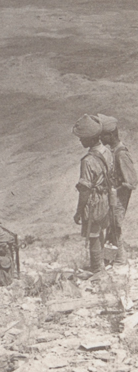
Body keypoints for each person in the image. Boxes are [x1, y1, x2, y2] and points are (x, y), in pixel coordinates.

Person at [72, 114, 113, 274]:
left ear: (90, 139)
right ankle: (102, 265)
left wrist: (78, 211)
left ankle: (97, 270)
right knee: (101, 231)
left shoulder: (88, 161)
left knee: (93, 235)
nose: (80, 141)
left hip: (94, 201)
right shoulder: (107, 151)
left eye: (82, 138)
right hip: (107, 199)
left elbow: (85, 190)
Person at [98, 113, 137, 265]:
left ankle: (120, 261)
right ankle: (110, 260)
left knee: (116, 228)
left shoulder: (121, 153)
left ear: (111, 134)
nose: (101, 139)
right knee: (111, 229)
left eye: (103, 135)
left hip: (119, 198)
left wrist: (116, 190)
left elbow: (132, 181)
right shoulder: (113, 151)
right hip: (113, 197)